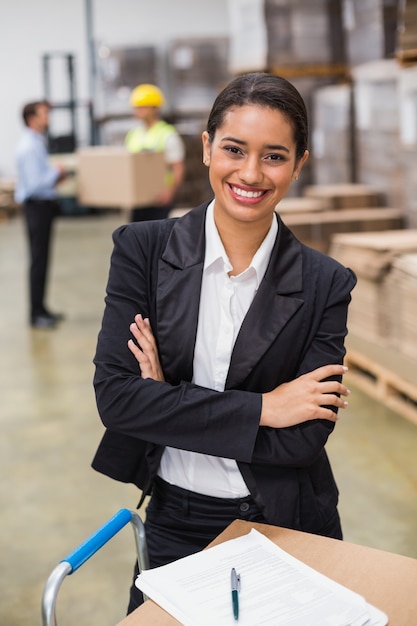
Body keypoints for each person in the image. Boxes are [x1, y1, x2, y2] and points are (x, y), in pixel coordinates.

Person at [92, 72, 357, 614]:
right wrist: (266, 408)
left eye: (275, 156)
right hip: (174, 520)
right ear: (207, 147)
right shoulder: (142, 251)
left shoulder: (326, 283)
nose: (251, 174)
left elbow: (302, 442)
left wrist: (166, 403)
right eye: (234, 149)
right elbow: (117, 401)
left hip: (286, 519)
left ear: (300, 163)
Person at [15, 100, 67, 329]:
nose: (48, 118)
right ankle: (36, 314)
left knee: (43, 259)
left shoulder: (36, 143)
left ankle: (42, 308)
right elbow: (36, 184)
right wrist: (57, 172)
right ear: (32, 118)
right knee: (38, 261)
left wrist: (54, 175)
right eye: (44, 114)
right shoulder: (28, 147)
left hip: (43, 206)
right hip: (36, 206)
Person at [124, 83, 185, 222]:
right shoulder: (133, 134)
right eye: (136, 107)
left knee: (158, 238)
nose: (137, 111)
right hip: (137, 199)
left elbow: (178, 167)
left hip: (159, 199)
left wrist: (169, 192)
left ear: (154, 108)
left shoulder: (167, 135)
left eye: (141, 107)